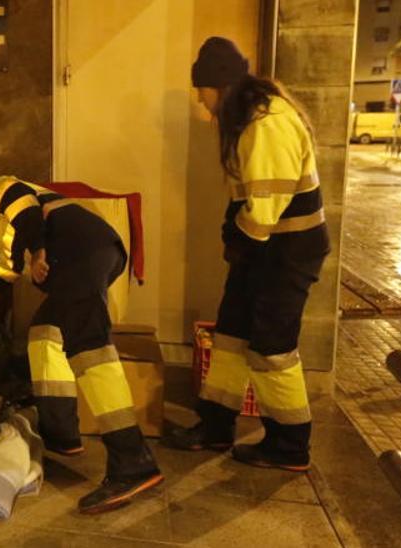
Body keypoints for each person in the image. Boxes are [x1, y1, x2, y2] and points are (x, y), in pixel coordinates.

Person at [163, 37, 330, 471]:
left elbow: (264, 212)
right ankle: (216, 425)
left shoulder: (266, 125)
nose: (200, 102)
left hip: (287, 250)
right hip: (266, 247)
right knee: (232, 335)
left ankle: (289, 444)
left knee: (271, 348)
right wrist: (235, 236)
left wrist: (238, 241)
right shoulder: (250, 120)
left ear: (221, 85)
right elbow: (249, 200)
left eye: (201, 90)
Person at [0, 175, 162, 514]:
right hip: (94, 251)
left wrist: (38, 250)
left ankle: (133, 459)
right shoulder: (10, 234)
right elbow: (2, 271)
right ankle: (60, 432)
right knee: (44, 333)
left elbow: (23, 206)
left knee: (90, 351)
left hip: (79, 253)